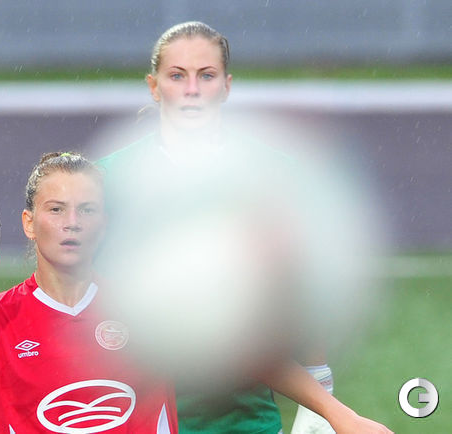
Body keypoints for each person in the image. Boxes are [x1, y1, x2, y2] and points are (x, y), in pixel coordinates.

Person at [96, 21, 391, 434]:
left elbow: (302, 290)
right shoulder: (107, 178)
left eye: (206, 75)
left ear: (227, 86)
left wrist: (321, 389)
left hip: (244, 418)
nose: (192, 89)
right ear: (153, 86)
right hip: (135, 413)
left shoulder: (270, 173)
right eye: (177, 76)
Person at [0, 152, 178, 433]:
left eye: (87, 210)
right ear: (29, 223)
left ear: (104, 224)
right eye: (56, 209)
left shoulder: (152, 312)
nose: (72, 222)